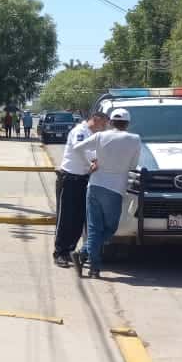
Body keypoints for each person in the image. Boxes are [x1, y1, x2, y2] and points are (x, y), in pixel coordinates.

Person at [71, 108, 142, 278]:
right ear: (127, 124)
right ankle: (85, 256)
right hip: (115, 189)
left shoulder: (100, 136)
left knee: (94, 228)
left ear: (111, 122)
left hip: (94, 186)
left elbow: (77, 148)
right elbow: (133, 165)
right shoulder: (134, 139)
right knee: (110, 228)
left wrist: (92, 162)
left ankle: (90, 262)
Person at [52, 111, 109, 267]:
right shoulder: (80, 131)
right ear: (96, 119)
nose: (104, 127)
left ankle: (70, 250)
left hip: (84, 180)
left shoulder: (93, 134)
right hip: (70, 179)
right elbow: (79, 148)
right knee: (65, 218)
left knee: (79, 219)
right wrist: (93, 161)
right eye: (103, 123)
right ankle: (60, 253)